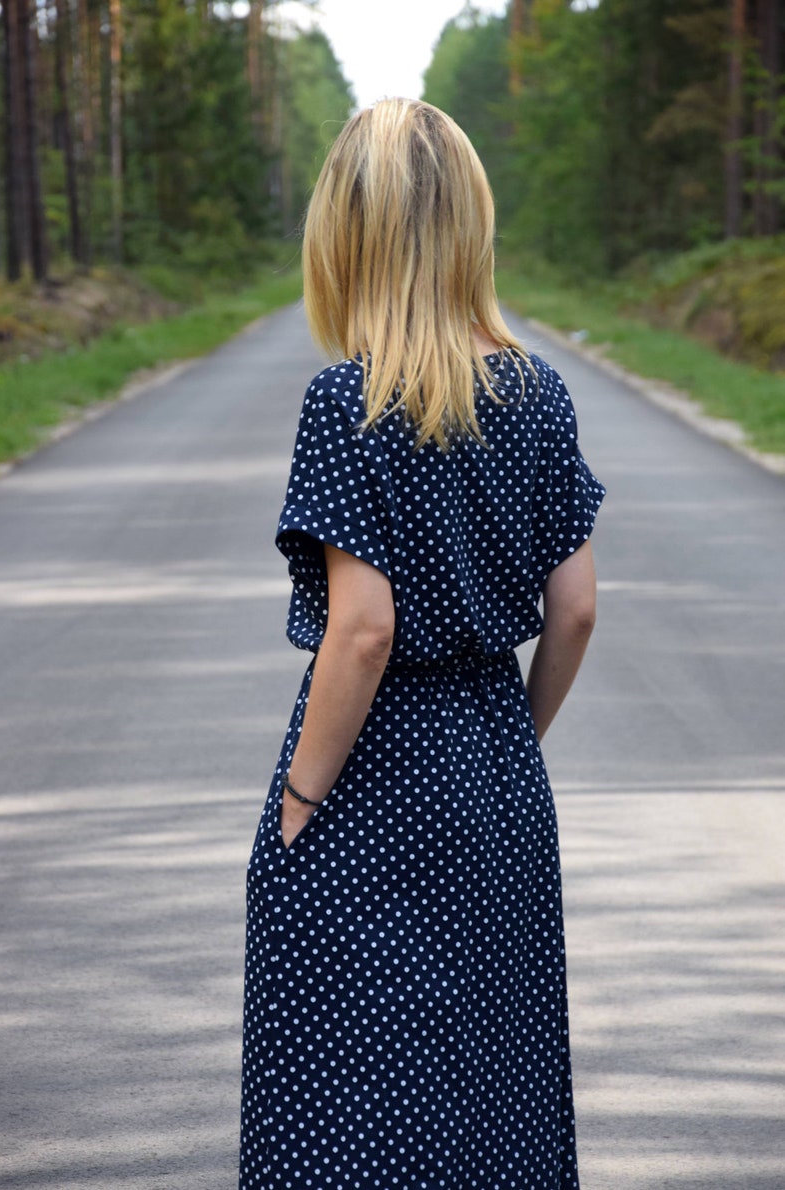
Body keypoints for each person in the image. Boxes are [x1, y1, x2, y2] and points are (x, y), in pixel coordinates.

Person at [240, 98, 605, 1190]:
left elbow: (362, 630)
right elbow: (576, 607)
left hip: (373, 776)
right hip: (495, 762)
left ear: (347, 235)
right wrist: (505, 737)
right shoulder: (536, 393)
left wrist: (298, 803)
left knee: (350, 1075)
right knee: (492, 1067)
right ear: (465, 230)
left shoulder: (344, 401)